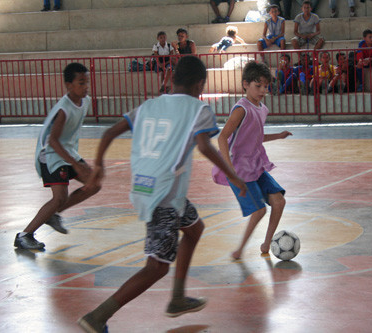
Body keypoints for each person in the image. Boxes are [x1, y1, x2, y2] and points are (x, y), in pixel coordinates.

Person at [77, 56, 247, 333]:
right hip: (165, 196)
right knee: (156, 267)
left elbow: (108, 133)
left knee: (194, 229)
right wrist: (233, 175)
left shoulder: (149, 105)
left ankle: (178, 297)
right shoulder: (198, 108)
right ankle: (98, 316)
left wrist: (99, 167)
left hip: (148, 187)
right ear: (200, 84)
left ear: (172, 79)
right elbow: (204, 147)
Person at [14, 63, 101, 250]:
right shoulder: (64, 109)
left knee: (94, 184)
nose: (86, 86)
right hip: (50, 154)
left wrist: (74, 160)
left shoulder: (85, 101)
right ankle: (24, 235)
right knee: (59, 197)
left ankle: (52, 214)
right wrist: (75, 164)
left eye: (87, 82)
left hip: (67, 151)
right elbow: (52, 141)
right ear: (69, 85)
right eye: (81, 83)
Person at [212, 61, 292, 260]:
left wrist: (278, 136)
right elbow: (222, 137)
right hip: (239, 168)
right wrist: (230, 171)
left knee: (279, 202)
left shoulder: (262, 108)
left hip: (255, 164)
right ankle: (239, 250)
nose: (263, 90)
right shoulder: (241, 109)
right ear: (245, 84)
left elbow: (256, 136)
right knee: (259, 210)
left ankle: (266, 244)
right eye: (258, 86)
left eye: (266, 86)